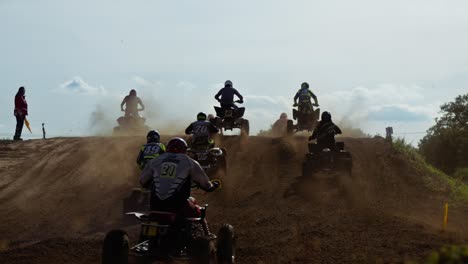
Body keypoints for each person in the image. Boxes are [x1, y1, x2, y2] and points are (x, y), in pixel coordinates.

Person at [140, 137, 220, 217]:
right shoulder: (189, 161)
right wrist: (213, 185)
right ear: (184, 149)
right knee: (199, 212)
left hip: (155, 205)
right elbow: (206, 185)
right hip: (178, 206)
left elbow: (142, 181)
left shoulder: (155, 160)